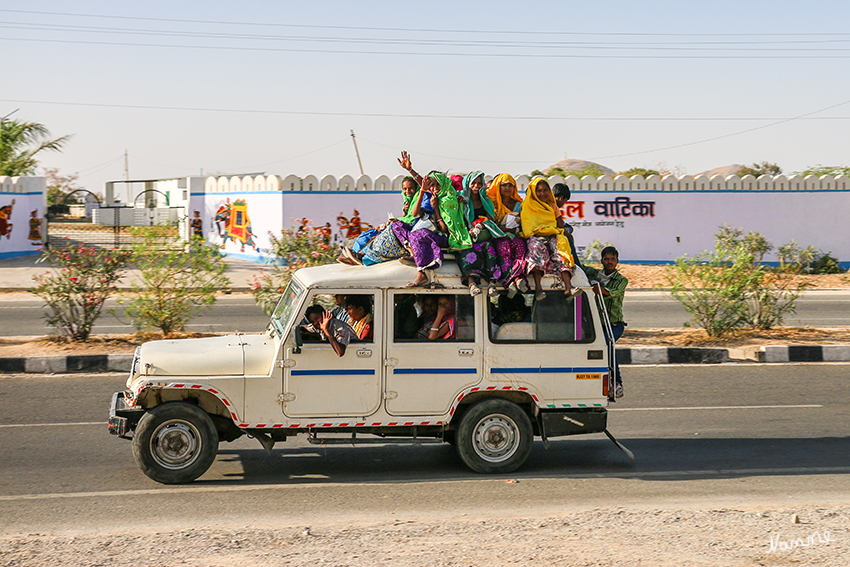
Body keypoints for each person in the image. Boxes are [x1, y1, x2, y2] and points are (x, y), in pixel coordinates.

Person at [394, 170, 471, 287]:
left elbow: (445, 229)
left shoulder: (449, 200)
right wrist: (422, 191)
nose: (434, 188)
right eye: (432, 185)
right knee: (397, 225)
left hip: (444, 237)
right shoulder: (430, 197)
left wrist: (436, 208)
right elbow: (415, 214)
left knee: (418, 234)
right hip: (426, 232)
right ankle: (413, 252)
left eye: (437, 185)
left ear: (443, 184)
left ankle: (421, 273)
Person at [520, 177, 579, 301]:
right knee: (536, 247)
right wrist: (541, 235)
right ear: (533, 192)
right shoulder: (527, 205)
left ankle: (569, 287)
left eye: (545, 190)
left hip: (552, 233)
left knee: (562, 247)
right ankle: (538, 288)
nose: (543, 193)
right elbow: (527, 226)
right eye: (539, 191)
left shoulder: (552, 205)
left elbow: (560, 225)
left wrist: (554, 233)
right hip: (535, 235)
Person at [585, 246, 627, 398]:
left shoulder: (621, 280)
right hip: (596, 324)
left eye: (613, 259)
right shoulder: (596, 273)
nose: (610, 262)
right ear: (602, 260)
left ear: (617, 261)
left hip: (614, 324)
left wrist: (598, 288)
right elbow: (580, 267)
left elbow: (612, 293)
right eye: (606, 259)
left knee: (608, 345)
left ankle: (617, 383)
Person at [456, 171, 504, 296]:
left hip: (483, 234)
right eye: (473, 183)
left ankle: (492, 284)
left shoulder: (486, 200)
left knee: (489, 249)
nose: (476, 186)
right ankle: (472, 284)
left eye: (479, 183)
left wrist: (481, 225)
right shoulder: (461, 198)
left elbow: (490, 219)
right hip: (466, 235)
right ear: (468, 184)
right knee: (467, 250)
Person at [486, 174, 529, 297]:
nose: (507, 188)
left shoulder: (519, 204)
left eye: (511, 185)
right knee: (504, 249)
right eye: (504, 185)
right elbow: (488, 223)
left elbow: (523, 223)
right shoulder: (492, 203)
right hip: (497, 237)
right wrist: (502, 229)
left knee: (520, 246)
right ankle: (514, 280)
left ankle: (515, 278)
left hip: (514, 235)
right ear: (498, 187)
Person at [551, 183, 583, 270]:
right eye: (564, 201)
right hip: (550, 233)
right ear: (561, 198)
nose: (563, 204)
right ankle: (577, 266)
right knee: (568, 239)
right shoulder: (553, 206)